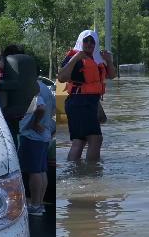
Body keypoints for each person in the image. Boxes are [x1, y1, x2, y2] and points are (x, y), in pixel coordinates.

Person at [57, 29, 112, 162]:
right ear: (80, 41)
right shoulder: (73, 57)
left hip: (89, 103)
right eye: (85, 40)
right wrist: (76, 58)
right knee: (96, 138)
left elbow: (111, 75)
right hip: (78, 102)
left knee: (80, 141)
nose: (89, 44)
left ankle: (75, 172)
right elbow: (61, 78)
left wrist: (109, 61)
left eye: (92, 41)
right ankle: (92, 173)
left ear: (96, 43)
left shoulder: (98, 58)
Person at [17, 77, 55, 216]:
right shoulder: (45, 86)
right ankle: (38, 204)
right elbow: (53, 110)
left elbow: (40, 107)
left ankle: (35, 205)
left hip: (32, 134)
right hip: (44, 133)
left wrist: (34, 123)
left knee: (34, 171)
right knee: (41, 170)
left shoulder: (31, 86)